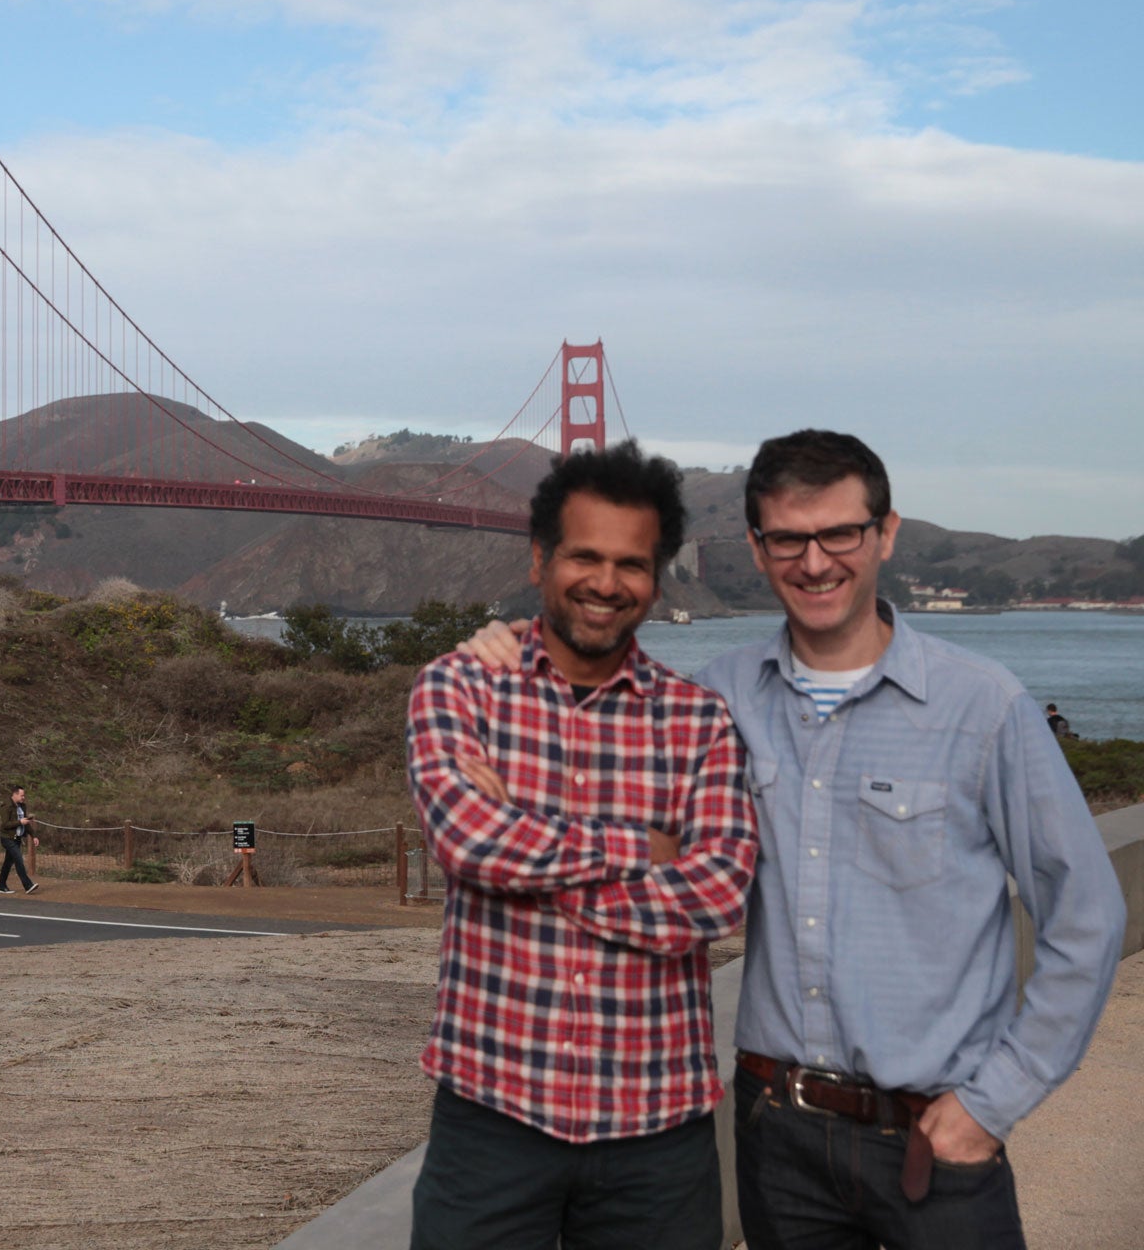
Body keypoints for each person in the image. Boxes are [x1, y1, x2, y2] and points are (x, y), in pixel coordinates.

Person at [460, 430, 1124, 1248]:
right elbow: (599, 777)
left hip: (934, 1141)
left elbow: (1087, 915)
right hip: (778, 1139)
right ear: (757, 546)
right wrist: (507, 656)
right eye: (788, 539)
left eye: (840, 533)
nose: (815, 562)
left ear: (886, 533)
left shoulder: (983, 707)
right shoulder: (714, 699)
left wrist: (993, 1104)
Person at [407, 440, 757, 1250]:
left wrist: (521, 851)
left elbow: (714, 897)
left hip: (657, 1135)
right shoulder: (458, 687)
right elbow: (467, 845)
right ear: (539, 560)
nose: (606, 582)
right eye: (584, 556)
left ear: (657, 578)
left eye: (630, 563)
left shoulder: (699, 721)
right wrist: (644, 849)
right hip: (490, 1120)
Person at [0, 785, 39, 895]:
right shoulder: (6, 807)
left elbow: (26, 823)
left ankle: (1, 886)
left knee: (8, 863)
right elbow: (5, 824)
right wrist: (20, 822)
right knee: (19, 859)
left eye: (24, 795)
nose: (23, 797)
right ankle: (28, 885)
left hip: (17, 838)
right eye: (21, 795)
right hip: (7, 838)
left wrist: (33, 836)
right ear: (14, 794)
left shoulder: (22, 806)